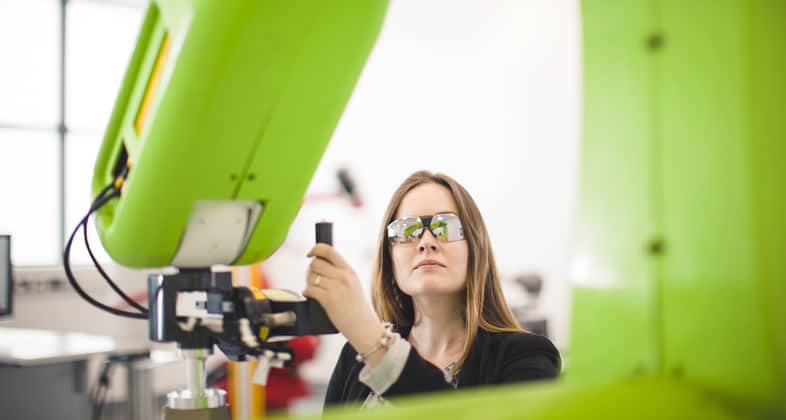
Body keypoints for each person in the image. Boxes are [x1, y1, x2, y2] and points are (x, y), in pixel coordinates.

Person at [303, 170, 561, 408]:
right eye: (407, 229)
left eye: (445, 226)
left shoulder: (526, 356)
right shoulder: (355, 355)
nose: (426, 242)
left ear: (475, 248)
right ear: (390, 258)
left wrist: (370, 336)